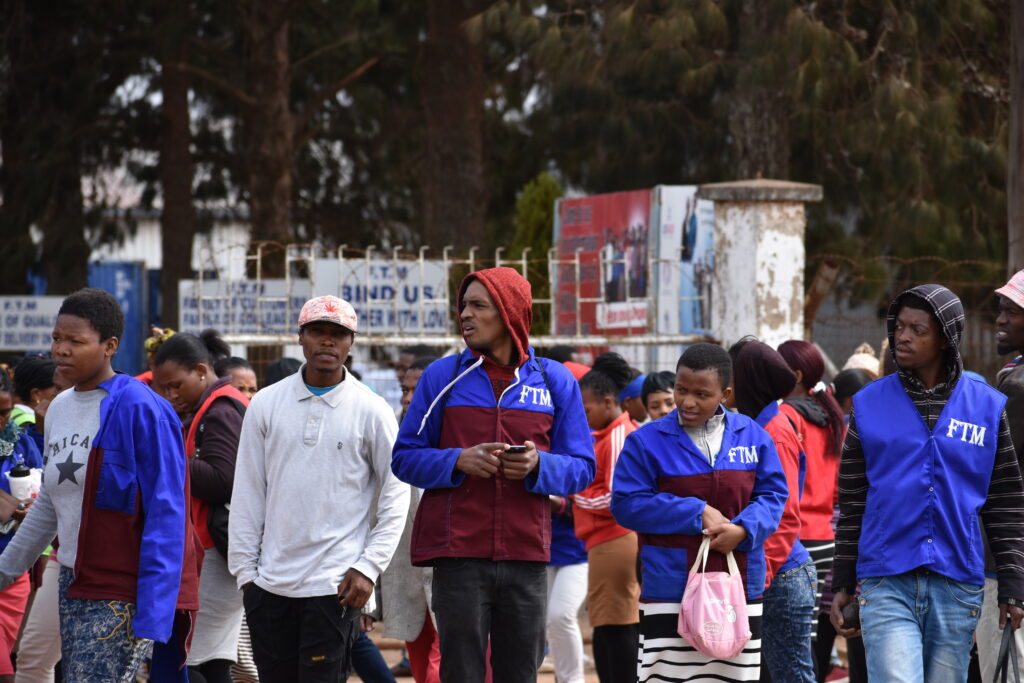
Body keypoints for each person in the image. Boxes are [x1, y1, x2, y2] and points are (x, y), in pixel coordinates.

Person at [391, 266, 595, 683]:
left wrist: (539, 466)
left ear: (509, 313)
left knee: (520, 672)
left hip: (527, 555)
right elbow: (405, 457)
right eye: (463, 305)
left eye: (478, 306)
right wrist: (457, 461)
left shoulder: (553, 380)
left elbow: (582, 467)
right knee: (461, 673)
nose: (465, 314)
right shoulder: (442, 376)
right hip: (457, 555)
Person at [0, 288, 199, 682]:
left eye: (76, 341)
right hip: (71, 582)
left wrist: (155, 611)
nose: (61, 349)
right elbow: (51, 503)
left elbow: (167, 515)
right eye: (57, 338)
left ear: (110, 346)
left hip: (121, 592)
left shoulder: (144, 409)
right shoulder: (58, 407)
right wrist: (6, 570)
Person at [831, 284, 1024, 681]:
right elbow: (853, 501)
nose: (902, 337)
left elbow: (1004, 501)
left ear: (946, 338)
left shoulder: (986, 406)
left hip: (958, 583)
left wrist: (1012, 584)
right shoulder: (868, 405)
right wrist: (843, 581)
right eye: (899, 327)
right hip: (886, 579)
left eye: (917, 330)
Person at [229, 295, 409, 683]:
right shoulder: (266, 403)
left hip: (336, 586)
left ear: (351, 342)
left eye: (338, 334)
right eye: (317, 331)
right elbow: (248, 491)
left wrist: (368, 568)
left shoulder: (372, 409)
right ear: (300, 337)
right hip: (269, 586)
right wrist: (245, 573)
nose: (327, 341)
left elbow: (396, 495)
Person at [611, 343, 788, 683]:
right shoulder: (645, 441)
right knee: (667, 675)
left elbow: (773, 496)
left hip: (737, 584)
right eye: (681, 390)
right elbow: (626, 504)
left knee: (734, 676)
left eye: (702, 394)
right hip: (670, 586)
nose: (687, 402)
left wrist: (744, 530)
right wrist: (697, 512)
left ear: (725, 393)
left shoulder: (753, 436)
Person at [153, 330, 247, 683]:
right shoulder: (216, 405)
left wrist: (167, 456)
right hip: (223, 550)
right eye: (164, 388)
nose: (170, 395)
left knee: (190, 660)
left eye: (176, 385)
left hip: (216, 552)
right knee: (213, 662)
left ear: (202, 371)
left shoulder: (220, 410)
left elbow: (222, 479)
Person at [732, 341, 816, 683]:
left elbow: (784, 516)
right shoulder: (756, 426)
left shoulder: (775, 433)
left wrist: (758, 579)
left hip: (781, 576)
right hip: (772, 573)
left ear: (748, 381)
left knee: (792, 676)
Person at [777, 340, 847, 678]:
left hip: (795, 540)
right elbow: (836, 488)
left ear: (795, 375)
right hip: (825, 537)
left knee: (791, 642)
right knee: (809, 638)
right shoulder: (830, 418)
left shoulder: (786, 417)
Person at [572, 352, 640, 683]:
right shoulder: (607, 434)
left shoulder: (617, 435)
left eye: (586, 411)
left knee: (618, 625)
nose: (583, 418)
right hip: (605, 540)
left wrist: (574, 494)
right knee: (607, 623)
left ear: (609, 402)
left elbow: (615, 498)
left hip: (615, 537)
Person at [973, 270, 1024, 680]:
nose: (1000, 319)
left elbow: (994, 473)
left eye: (1013, 311)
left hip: (1008, 562)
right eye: (1000, 309)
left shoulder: (1017, 386)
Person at [0, 368, 43, 683]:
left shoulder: (22, 443)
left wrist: (28, 510)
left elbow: (43, 496)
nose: (0, 421)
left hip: (12, 572)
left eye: (4, 413)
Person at [10, 355, 59, 454]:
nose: (61, 394)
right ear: (36, 394)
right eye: (57, 388)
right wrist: (39, 432)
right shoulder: (30, 422)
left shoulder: (12, 413)